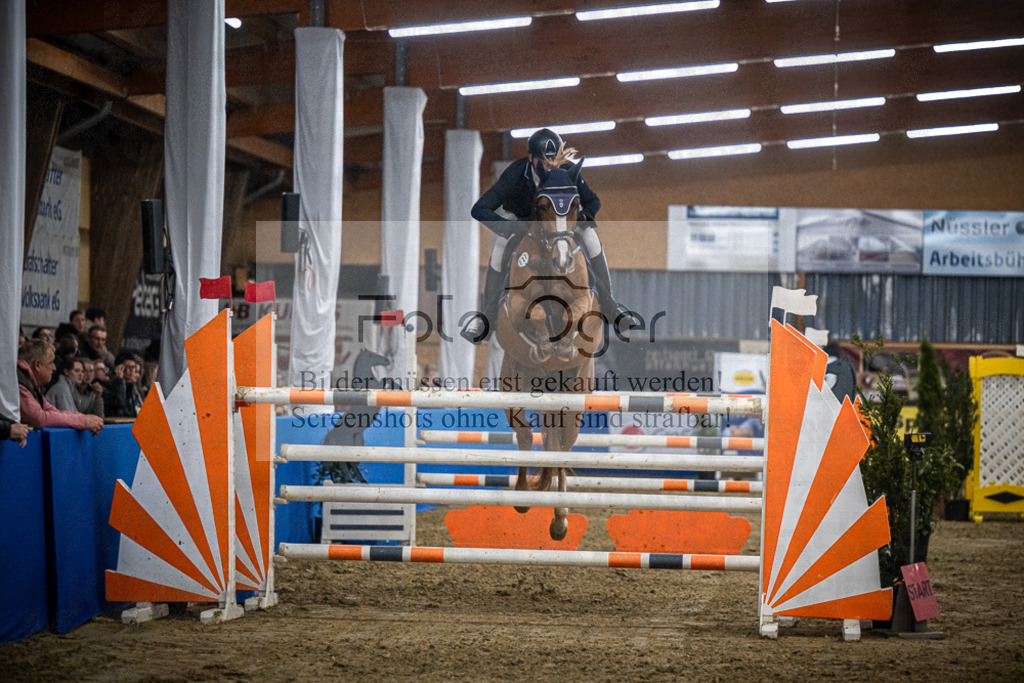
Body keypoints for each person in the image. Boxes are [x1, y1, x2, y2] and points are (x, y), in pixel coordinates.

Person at [460, 127, 635, 343]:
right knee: (499, 249)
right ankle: (486, 318)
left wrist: (584, 216)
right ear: (531, 158)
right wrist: (508, 228)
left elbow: (593, 201)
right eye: (544, 161)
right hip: (523, 223)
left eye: (554, 160)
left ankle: (611, 306)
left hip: (561, 224)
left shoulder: (568, 170)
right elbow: (479, 209)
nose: (550, 166)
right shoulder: (516, 172)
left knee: (591, 238)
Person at [16, 340, 103, 434]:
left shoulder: (31, 383)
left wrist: (86, 419)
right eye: (50, 363)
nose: (54, 367)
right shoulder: (19, 382)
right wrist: (83, 421)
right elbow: (38, 418)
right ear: (37, 365)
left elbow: (53, 411)